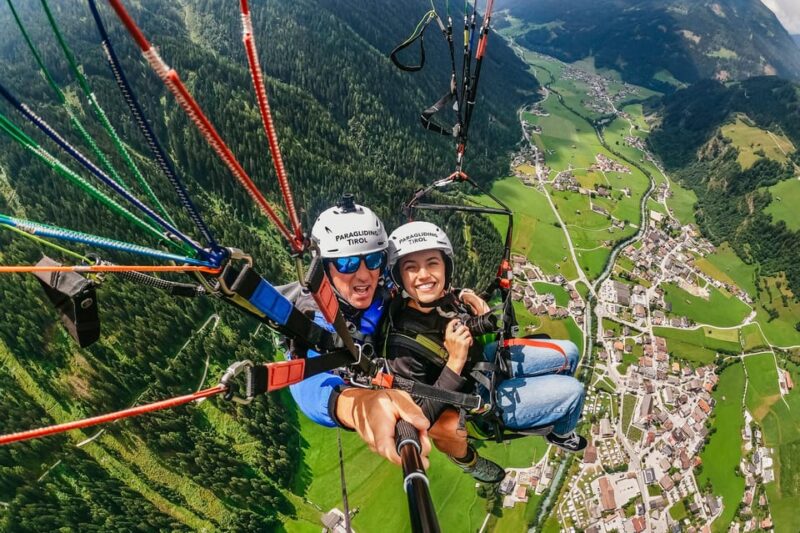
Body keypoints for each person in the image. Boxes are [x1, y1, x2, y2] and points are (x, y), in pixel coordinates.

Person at [384, 221, 587, 479]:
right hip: (480, 400)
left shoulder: (438, 300)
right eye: (411, 268)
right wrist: (455, 362)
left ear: (445, 268)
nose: (423, 274)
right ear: (400, 277)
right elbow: (419, 416)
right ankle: (561, 434)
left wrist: (465, 295)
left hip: (487, 360)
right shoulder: (403, 346)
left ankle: (547, 400)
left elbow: (445, 296)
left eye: (432, 263)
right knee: (573, 392)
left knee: (570, 351)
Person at [287, 195, 432, 467]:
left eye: (373, 259)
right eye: (347, 263)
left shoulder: (385, 283)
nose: (364, 274)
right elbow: (304, 382)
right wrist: (358, 406)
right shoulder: (312, 316)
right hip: (366, 383)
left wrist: (461, 298)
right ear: (325, 268)